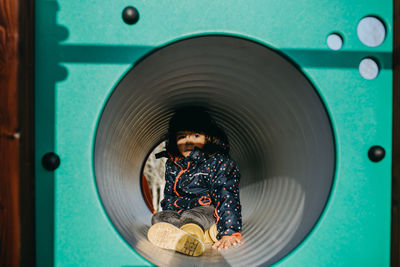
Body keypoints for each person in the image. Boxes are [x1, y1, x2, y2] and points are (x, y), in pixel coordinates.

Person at [147, 107, 242, 256]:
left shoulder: (218, 162)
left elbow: (226, 196)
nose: (188, 141)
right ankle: (202, 237)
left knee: (192, 217)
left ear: (208, 137)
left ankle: (191, 237)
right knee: (159, 218)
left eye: (196, 135)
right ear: (174, 140)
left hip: (207, 211)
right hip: (182, 213)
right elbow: (169, 195)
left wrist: (230, 232)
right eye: (181, 136)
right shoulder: (174, 165)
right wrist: (169, 212)